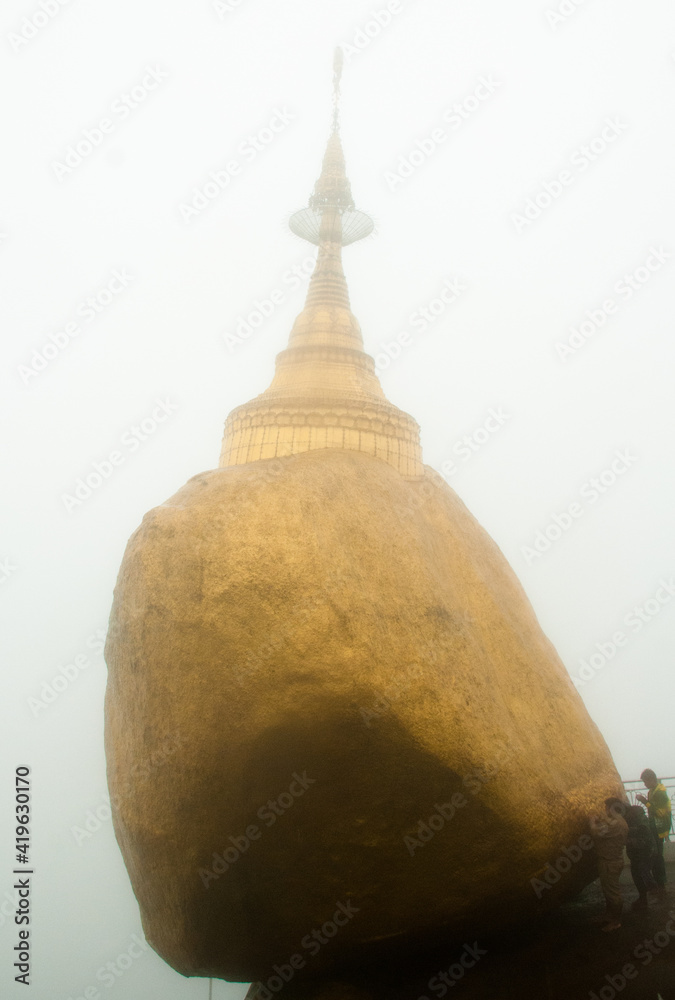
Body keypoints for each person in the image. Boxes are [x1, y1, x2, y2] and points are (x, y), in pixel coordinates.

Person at [589, 797, 628, 931]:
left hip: (610, 862)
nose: (605, 811)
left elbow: (596, 833)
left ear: (611, 808)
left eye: (606, 808)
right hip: (610, 861)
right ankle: (609, 915)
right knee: (609, 891)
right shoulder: (618, 821)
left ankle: (616, 921)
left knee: (613, 893)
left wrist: (592, 822)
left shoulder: (616, 823)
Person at [636, 768, 672, 899]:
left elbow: (660, 812)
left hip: (659, 828)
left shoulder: (659, 793)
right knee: (656, 855)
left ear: (652, 780)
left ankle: (661, 884)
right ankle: (659, 883)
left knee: (657, 856)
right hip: (655, 827)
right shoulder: (652, 791)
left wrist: (645, 802)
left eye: (645, 782)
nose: (645, 784)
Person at [625, 804, 656, 909]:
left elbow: (640, 843)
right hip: (643, 854)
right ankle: (646, 894)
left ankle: (645, 897)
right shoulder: (641, 819)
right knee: (641, 873)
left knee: (639, 875)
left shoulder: (637, 824)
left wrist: (627, 841)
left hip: (641, 855)